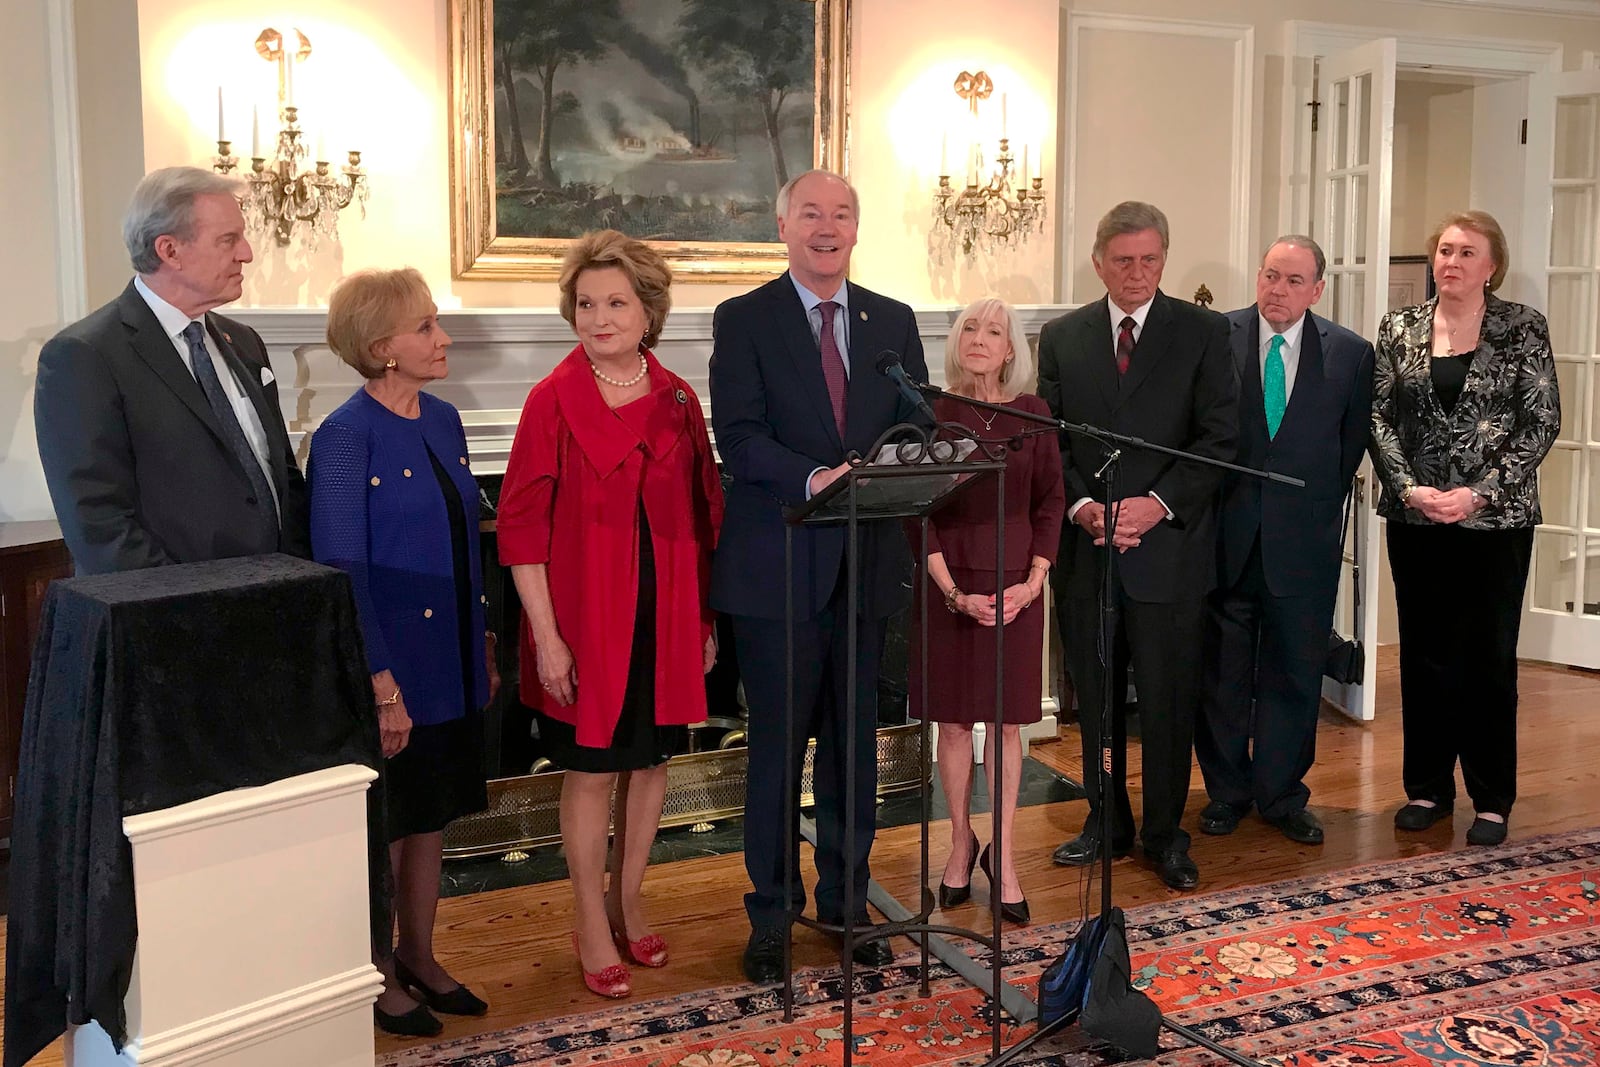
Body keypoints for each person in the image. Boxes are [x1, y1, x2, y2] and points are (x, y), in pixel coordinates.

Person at [709, 170, 929, 982]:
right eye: (811, 213)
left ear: (857, 228)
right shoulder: (744, 320)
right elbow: (738, 435)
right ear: (784, 227)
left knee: (853, 751)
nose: (826, 226)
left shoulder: (892, 322)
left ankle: (846, 900)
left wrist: (917, 457)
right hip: (780, 570)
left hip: (868, 569)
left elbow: (914, 423)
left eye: (841, 213)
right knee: (776, 750)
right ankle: (771, 910)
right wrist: (814, 478)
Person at [496, 230, 723, 999]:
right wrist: (548, 638)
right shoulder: (551, 399)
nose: (598, 317)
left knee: (652, 763)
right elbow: (522, 533)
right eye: (586, 303)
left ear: (647, 308)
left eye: (615, 302)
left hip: (666, 615)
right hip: (585, 622)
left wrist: (703, 624)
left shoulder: (680, 398)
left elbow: (702, 518)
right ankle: (589, 918)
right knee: (591, 771)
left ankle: (630, 898)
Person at [309, 268, 494, 1037]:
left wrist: (483, 639)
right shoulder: (345, 437)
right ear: (383, 347)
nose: (441, 337)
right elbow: (341, 570)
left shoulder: (444, 419)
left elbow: (467, 536)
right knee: (386, 824)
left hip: (449, 653)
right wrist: (381, 683)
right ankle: (376, 971)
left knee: (432, 816)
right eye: (425, 327)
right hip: (390, 666)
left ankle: (419, 953)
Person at [1037, 201, 1238, 891]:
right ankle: (1107, 821)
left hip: (1169, 549)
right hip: (1090, 548)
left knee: (1167, 701)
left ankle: (1163, 833)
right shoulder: (1062, 337)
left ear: (1164, 258)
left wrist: (1155, 507)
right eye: (1123, 260)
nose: (1137, 272)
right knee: (1092, 701)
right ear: (1099, 262)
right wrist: (1087, 506)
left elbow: (1220, 440)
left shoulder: (1204, 333)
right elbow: (1050, 442)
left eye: (1150, 259)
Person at [1369, 210, 1559, 848]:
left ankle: (1491, 799)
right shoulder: (1399, 327)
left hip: (1494, 521)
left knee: (1486, 657)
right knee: (1423, 654)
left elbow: (1540, 423)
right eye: (1444, 251)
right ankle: (1426, 788)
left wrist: (1476, 493)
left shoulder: (1522, 327)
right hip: (1417, 515)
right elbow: (1378, 416)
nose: (1451, 262)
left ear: (1491, 265)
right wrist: (1408, 487)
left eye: (1466, 252)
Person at [35, 166, 308, 574]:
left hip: (274, 602)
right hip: (170, 618)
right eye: (228, 240)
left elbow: (282, 475)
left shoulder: (245, 342)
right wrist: (184, 607)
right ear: (169, 251)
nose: (246, 253)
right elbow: (99, 522)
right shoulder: (84, 355)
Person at [1195, 237, 1375, 847]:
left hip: (1304, 541)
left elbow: (1347, 451)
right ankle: (1227, 791)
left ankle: (1280, 794)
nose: (1278, 289)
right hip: (1226, 536)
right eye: (1271, 275)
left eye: (1294, 280)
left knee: (1295, 674)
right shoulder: (1216, 336)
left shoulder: (1351, 355)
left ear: (1317, 290)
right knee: (1222, 673)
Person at [913, 298, 1064, 925]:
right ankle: (959, 842)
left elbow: (1052, 500)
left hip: (1015, 590)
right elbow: (917, 509)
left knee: (1005, 727)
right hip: (948, 587)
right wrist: (951, 592)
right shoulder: (930, 413)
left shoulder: (1033, 416)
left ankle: (1003, 855)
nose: (980, 338)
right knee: (951, 725)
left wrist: (1032, 585)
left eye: (994, 331)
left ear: (1010, 351)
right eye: (970, 328)